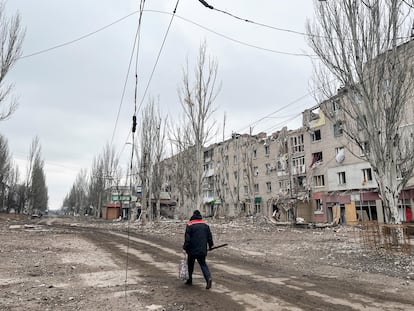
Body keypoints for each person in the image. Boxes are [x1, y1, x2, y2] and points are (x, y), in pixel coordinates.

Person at [183, 210, 214, 289]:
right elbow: (209, 237)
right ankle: (208, 278)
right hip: (202, 249)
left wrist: (185, 248)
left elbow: (187, 239)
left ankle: (189, 279)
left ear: (193, 216)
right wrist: (210, 245)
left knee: (190, 264)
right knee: (203, 264)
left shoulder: (190, 225)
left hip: (192, 249)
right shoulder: (205, 225)